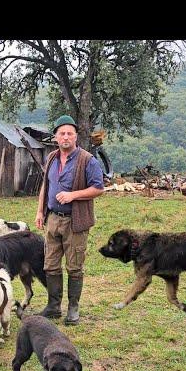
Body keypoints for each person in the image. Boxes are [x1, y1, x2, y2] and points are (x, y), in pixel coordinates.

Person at [35, 115, 104, 325]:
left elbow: (98, 188)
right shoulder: (52, 158)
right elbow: (45, 187)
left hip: (75, 221)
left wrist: (72, 195)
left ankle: (73, 309)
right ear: (56, 136)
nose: (65, 137)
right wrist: (40, 211)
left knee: (74, 266)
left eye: (69, 133)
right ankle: (54, 307)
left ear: (76, 137)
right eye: (62, 133)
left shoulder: (87, 160)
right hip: (52, 219)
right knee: (50, 265)